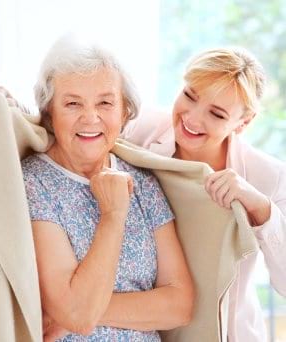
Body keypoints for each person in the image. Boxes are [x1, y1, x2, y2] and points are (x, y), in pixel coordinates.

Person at [20, 36, 194, 341]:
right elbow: (78, 315)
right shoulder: (34, 183)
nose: (90, 118)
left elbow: (180, 305)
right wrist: (113, 214)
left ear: (124, 111)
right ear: (50, 112)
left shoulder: (142, 182)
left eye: (105, 102)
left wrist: (79, 310)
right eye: (73, 103)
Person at [122, 47, 286, 342]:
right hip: (151, 323)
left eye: (216, 113)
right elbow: (80, 125)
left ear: (243, 123)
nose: (193, 119)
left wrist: (261, 210)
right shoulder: (141, 127)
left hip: (228, 333)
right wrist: (14, 110)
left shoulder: (269, 177)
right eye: (189, 95)